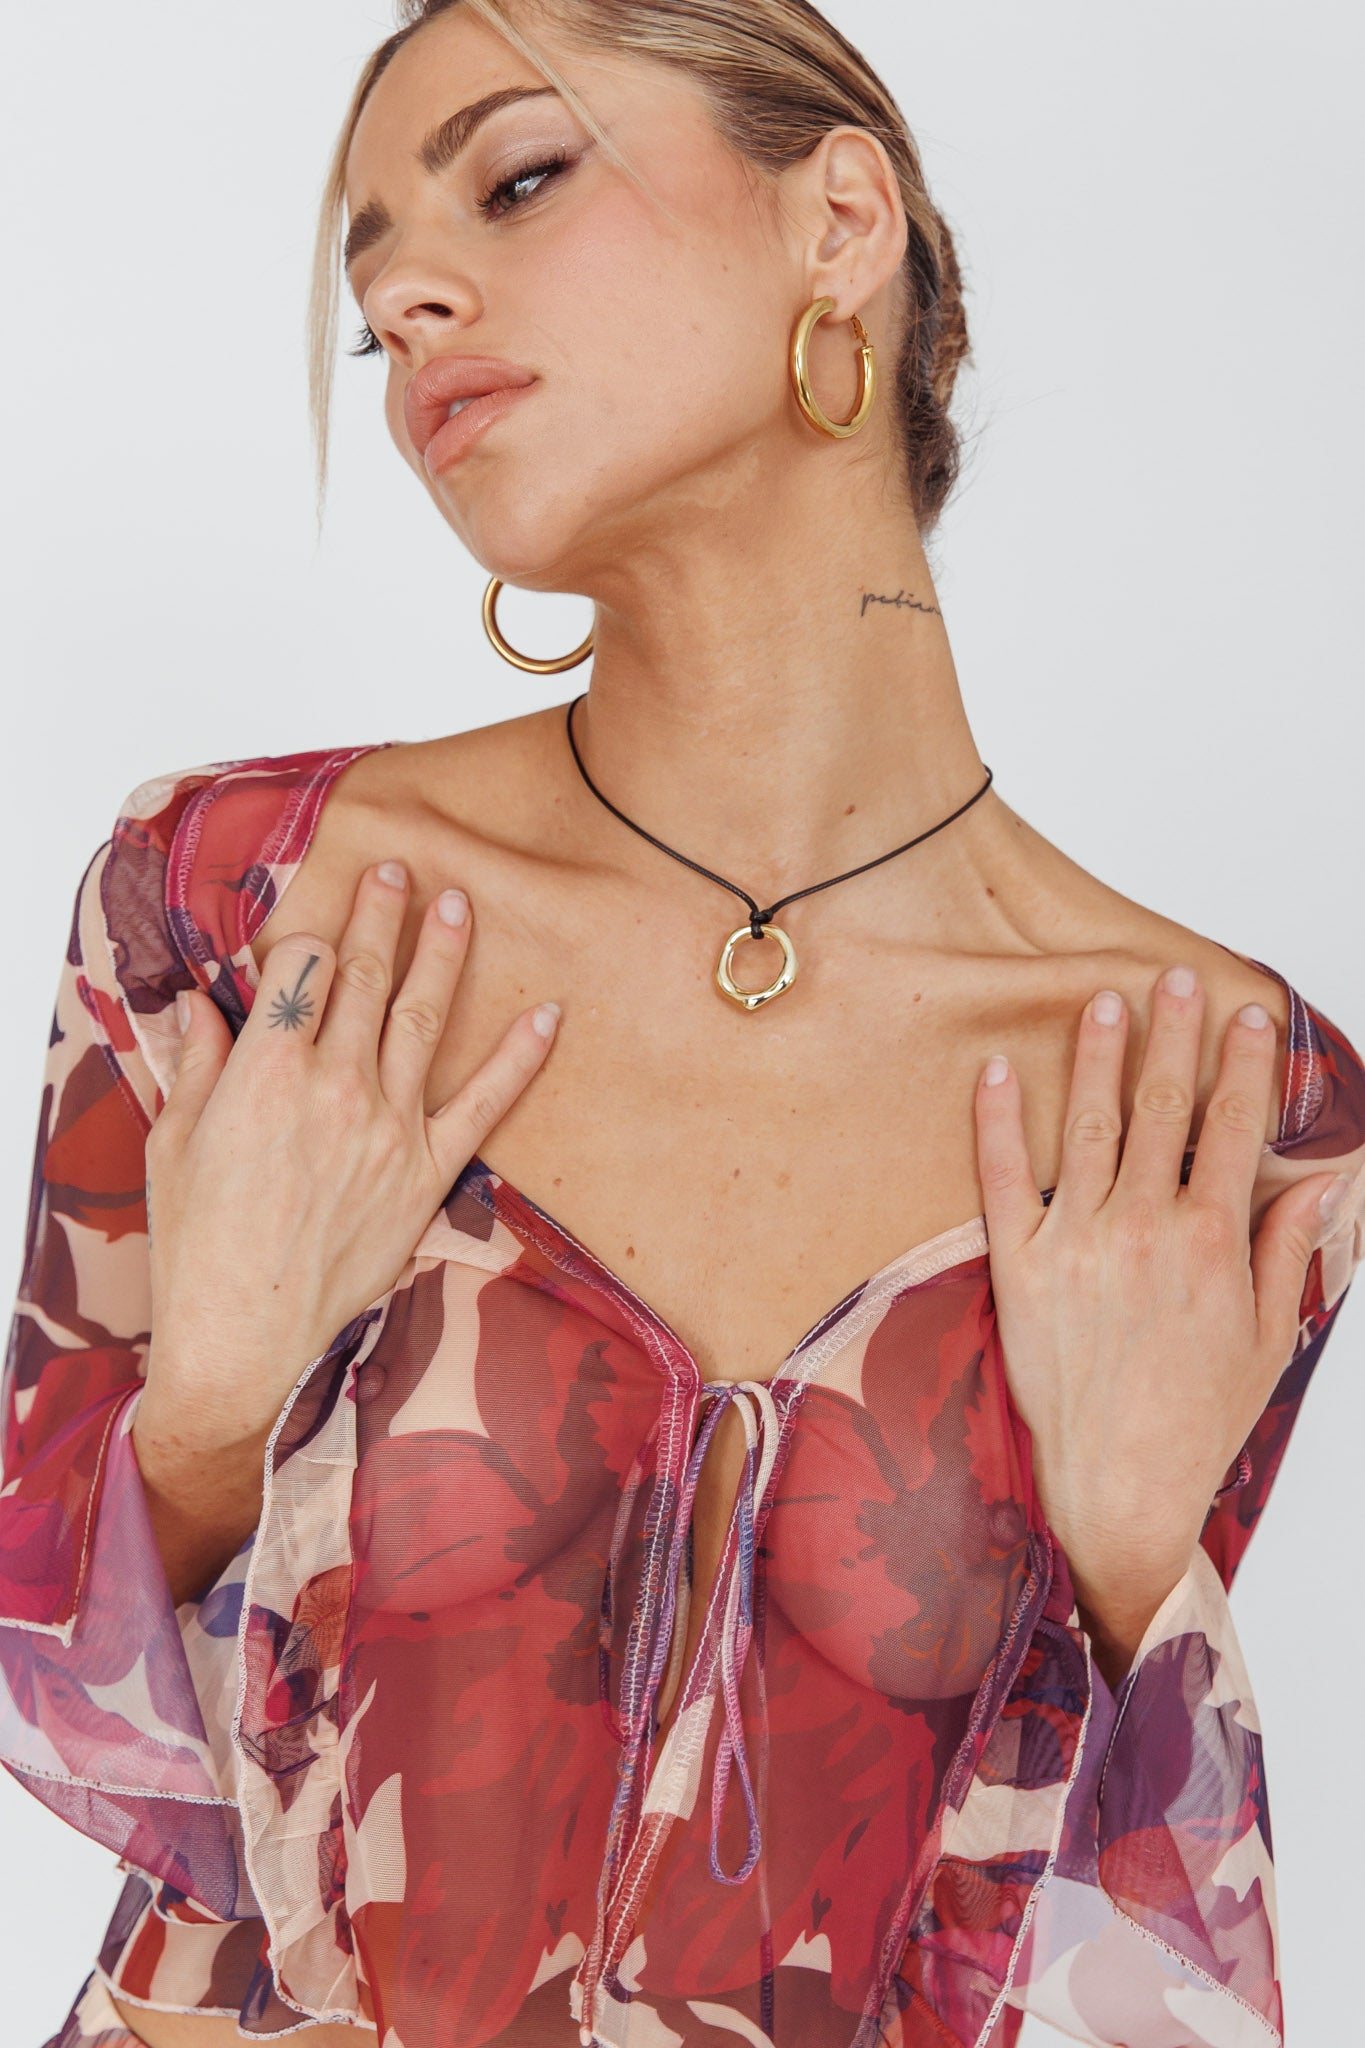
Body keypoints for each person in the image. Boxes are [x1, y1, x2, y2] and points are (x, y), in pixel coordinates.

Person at [3, 3, 1363, 2045]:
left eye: (516, 178)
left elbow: (1075, 1974)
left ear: (838, 221)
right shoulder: (244, 909)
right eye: (372, 294)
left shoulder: (1210, 1098)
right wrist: (204, 1417)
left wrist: (1120, 1577)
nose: (402, 294)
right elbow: (88, 1722)